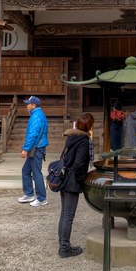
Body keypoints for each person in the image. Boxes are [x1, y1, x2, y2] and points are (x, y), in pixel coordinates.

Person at [57, 112, 94, 257]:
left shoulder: (71, 137)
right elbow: (79, 164)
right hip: (72, 180)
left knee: (64, 214)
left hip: (64, 177)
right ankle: (65, 248)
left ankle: (63, 244)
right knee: (68, 215)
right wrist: (81, 178)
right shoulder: (84, 141)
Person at [18, 95, 49, 207]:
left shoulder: (36, 116)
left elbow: (33, 134)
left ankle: (42, 199)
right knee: (26, 170)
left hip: (36, 148)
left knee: (36, 173)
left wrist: (25, 149)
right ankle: (29, 194)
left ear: (33, 105)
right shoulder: (38, 115)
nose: (27, 106)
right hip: (37, 147)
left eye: (28, 104)